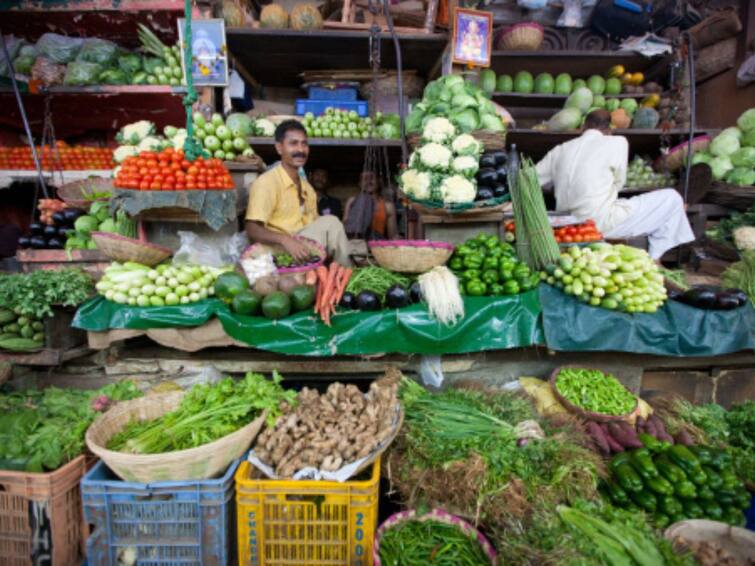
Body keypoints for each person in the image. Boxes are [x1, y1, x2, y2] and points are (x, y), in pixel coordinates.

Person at [535, 109, 694, 260]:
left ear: (583, 127)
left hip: (566, 225)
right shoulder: (618, 142)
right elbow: (619, 182)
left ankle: (655, 255)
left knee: (616, 204)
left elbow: (531, 177)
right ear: (609, 129)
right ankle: (655, 256)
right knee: (671, 198)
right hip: (598, 223)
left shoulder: (561, 149)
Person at [245, 120, 352, 266]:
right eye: (293, 143)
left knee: (331, 222)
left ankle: (345, 274)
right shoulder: (267, 183)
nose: (300, 150)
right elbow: (252, 230)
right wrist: (285, 239)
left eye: (304, 144)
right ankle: (345, 272)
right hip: (276, 249)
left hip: (301, 246)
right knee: (331, 222)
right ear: (279, 148)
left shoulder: (308, 188)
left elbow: (315, 225)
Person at [343, 170, 398, 240]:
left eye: (372, 178)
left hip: (376, 241)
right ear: (360, 184)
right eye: (365, 179)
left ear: (379, 181)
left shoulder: (388, 206)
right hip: (355, 240)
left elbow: (392, 235)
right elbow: (345, 225)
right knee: (364, 199)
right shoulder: (352, 201)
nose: (369, 182)